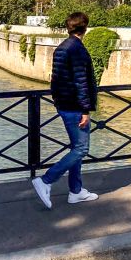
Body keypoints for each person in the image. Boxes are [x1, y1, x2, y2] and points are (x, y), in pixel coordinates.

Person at [32, 12, 99, 208]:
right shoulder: (77, 49)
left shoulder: (62, 47)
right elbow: (81, 82)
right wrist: (85, 110)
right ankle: (46, 180)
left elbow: (55, 77)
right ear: (85, 27)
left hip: (63, 104)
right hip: (75, 107)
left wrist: (56, 99)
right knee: (81, 149)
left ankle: (76, 191)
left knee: (76, 147)